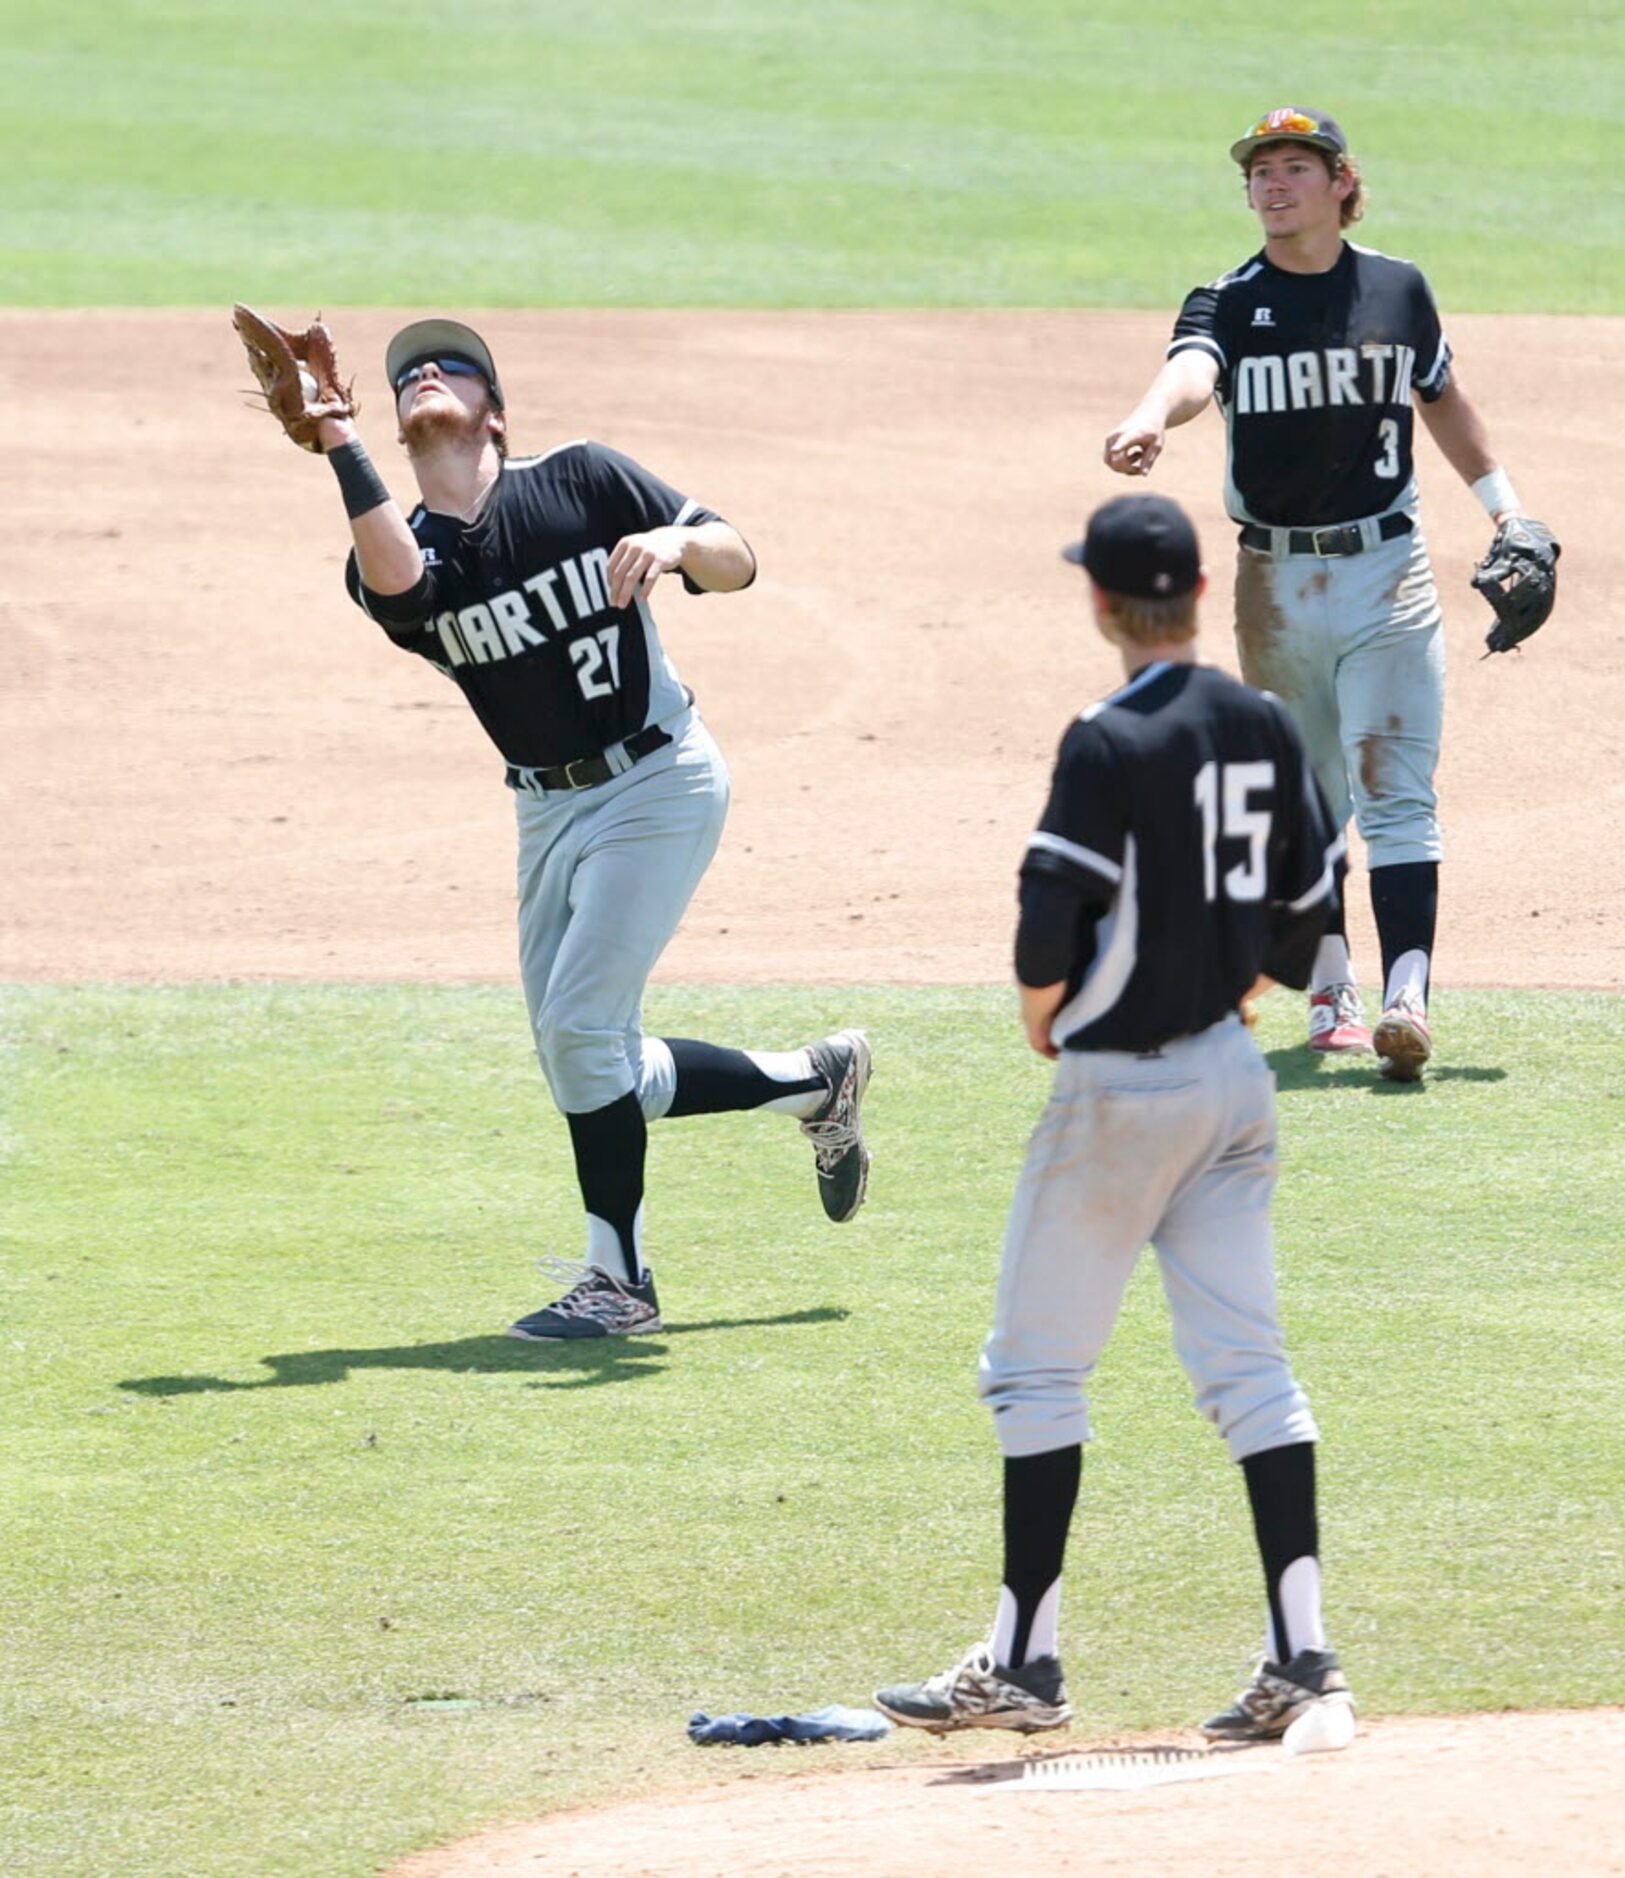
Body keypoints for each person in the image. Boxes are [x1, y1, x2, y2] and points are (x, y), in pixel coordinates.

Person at [874, 494, 1353, 1742]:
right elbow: (1313, 911)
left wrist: (1045, 1014)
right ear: (1198, 594)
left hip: (1119, 1099)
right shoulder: (1263, 721)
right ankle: (1303, 1656)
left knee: (1033, 1374)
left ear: (1101, 603)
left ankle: (1023, 1664)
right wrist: (1240, 979)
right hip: (1233, 1087)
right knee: (1253, 1375)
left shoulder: (1106, 736)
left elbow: (1050, 921)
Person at [306, 316, 872, 1337]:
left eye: (454, 367)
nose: (427, 374)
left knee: (578, 1036)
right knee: (586, 1057)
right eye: (408, 378)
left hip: (659, 781)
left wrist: (674, 540)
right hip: (545, 809)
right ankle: (812, 1081)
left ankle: (622, 1284)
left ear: (497, 412)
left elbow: (738, 561)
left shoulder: (581, 477)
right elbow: (402, 590)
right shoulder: (391, 550)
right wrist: (339, 442)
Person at [1104, 106, 1554, 1081]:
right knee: (1308, 801)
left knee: (1396, 792)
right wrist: (1149, 416)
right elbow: (1190, 371)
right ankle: (1330, 988)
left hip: (1388, 574)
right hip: (1271, 584)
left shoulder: (1397, 290)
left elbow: (1442, 398)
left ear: (1341, 181)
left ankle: (1408, 1000)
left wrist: (1505, 512)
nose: (1270, 186)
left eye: (1293, 168)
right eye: (1258, 171)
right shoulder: (1225, 300)